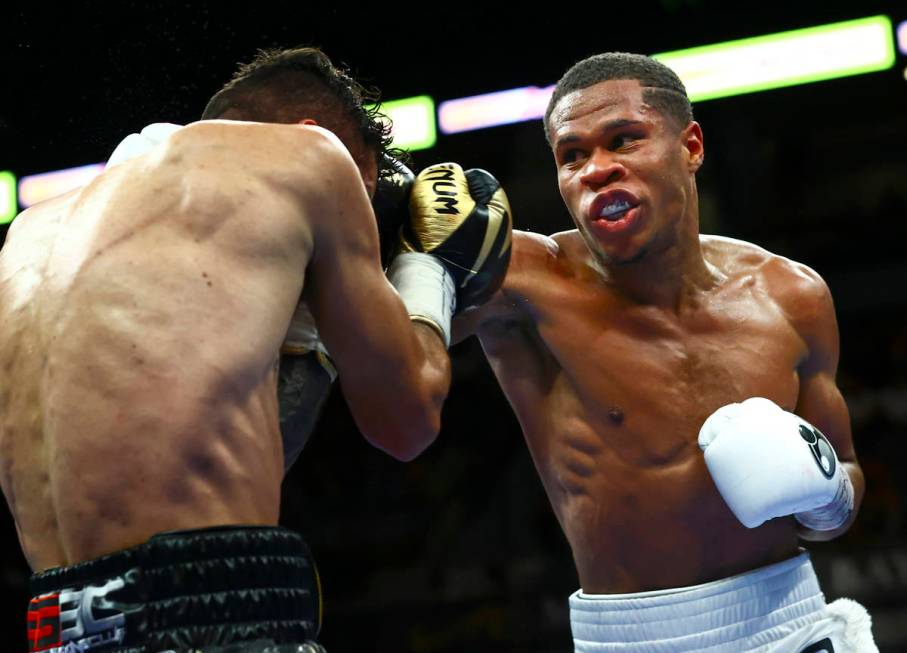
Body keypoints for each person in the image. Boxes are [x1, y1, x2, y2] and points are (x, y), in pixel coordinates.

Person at [0, 47, 509, 653]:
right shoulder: (312, 160)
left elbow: (191, 459)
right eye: (363, 193)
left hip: (56, 625)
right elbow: (406, 421)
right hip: (218, 610)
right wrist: (431, 270)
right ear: (312, 135)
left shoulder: (30, 234)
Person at [445, 52, 876, 651]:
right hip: (634, 638)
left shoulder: (791, 296)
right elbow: (378, 345)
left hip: (792, 621)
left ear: (691, 146)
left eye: (624, 140)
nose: (597, 169)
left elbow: (849, 477)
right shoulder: (523, 284)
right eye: (572, 156)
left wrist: (825, 495)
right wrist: (420, 259)